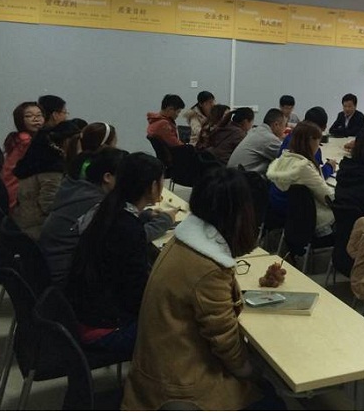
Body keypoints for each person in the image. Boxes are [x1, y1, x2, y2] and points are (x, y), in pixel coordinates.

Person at [122, 168, 284, 411]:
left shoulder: (185, 241)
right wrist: (254, 372)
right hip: (180, 387)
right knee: (270, 397)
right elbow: (226, 344)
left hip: (160, 368)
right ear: (242, 217)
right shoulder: (208, 268)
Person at [67, 152, 166, 357]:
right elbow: (136, 294)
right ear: (153, 186)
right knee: (184, 327)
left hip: (85, 313)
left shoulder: (108, 208)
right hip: (104, 329)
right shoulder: (127, 228)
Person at [40, 147, 176, 288]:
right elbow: (129, 239)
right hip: (67, 278)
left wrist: (143, 215)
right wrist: (165, 220)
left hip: (58, 268)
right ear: (107, 177)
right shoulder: (98, 205)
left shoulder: (84, 191)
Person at [13, 120, 82, 240]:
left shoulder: (39, 159)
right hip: (37, 229)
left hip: (23, 220)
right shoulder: (52, 170)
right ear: (68, 142)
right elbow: (49, 206)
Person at [267, 122, 335, 241]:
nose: (318, 146)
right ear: (311, 141)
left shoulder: (283, 158)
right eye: (318, 141)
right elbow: (328, 197)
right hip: (303, 220)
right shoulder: (303, 168)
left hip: (278, 211)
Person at [0, 101, 45, 211]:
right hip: (17, 196)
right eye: (29, 116)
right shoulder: (25, 141)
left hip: (9, 192)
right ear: (20, 120)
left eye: (39, 115)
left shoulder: (19, 137)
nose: (36, 119)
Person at [279, 106, 336, 179]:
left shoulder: (291, 136)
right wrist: (329, 167)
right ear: (323, 128)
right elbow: (315, 177)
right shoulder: (307, 145)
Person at [227, 108, 285, 174]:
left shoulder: (256, 130)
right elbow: (285, 159)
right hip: (242, 177)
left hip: (232, 174)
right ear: (276, 125)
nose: (284, 128)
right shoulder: (269, 138)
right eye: (284, 125)